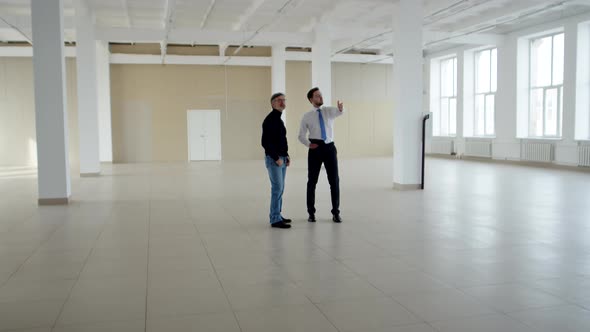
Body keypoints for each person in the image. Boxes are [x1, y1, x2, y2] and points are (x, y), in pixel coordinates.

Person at [298, 87, 345, 223]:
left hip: (329, 148)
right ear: (311, 99)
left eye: (321, 95)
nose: (320, 97)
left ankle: (336, 212)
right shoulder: (307, 116)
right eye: (317, 96)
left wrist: (341, 108)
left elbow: (339, 112)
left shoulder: (328, 111)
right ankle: (311, 213)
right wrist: (308, 144)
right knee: (312, 181)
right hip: (315, 148)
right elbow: (300, 136)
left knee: (334, 180)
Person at [261, 92, 292, 229]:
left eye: (284, 100)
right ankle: (274, 219)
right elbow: (265, 143)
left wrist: (287, 155)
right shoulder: (269, 120)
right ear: (273, 103)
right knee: (277, 188)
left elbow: (281, 141)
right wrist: (276, 158)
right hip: (275, 160)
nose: (282, 102)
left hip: (282, 158)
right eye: (279, 100)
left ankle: (277, 214)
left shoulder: (279, 120)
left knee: (281, 188)